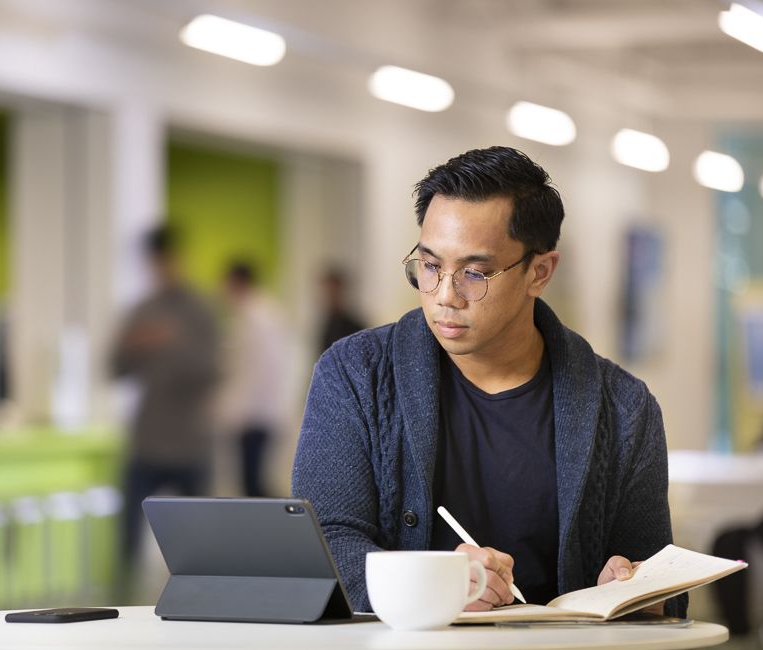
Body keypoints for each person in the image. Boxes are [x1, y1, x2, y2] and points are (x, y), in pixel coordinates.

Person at [292, 146, 687, 617]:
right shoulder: (355, 373)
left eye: (474, 273)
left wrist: (633, 588)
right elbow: (323, 542)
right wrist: (437, 585)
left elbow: (660, 581)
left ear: (539, 272)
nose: (444, 296)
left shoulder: (624, 408)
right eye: (430, 265)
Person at [111, 225, 219, 570]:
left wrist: (171, 343)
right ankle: (123, 600)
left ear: (176, 259)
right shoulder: (141, 310)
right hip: (147, 438)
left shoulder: (199, 310)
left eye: (163, 260)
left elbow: (211, 370)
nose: (158, 268)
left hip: (190, 438)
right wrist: (135, 345)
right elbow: (113, 368)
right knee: (127, 538)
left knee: (200, 542)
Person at [216, 261, 291, 497]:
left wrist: (236, 410)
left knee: (254, 484)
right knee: (252, 483)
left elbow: (259, 371)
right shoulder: (257, 314)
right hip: (257, 412)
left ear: (237, 282)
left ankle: (280, 532)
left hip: (258, 415)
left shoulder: (258, 317)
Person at [318, 267, 365, 354]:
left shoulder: (354, 327)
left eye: (333, 292)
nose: (329, 297)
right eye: (327, 293)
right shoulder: (324, 326)